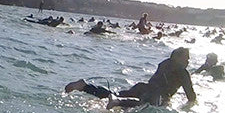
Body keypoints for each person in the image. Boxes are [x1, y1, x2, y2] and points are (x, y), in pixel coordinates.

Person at [64, 47, 196, 108]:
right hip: (156, 95)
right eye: (186, 58)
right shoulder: (182, 72)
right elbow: (190, 96)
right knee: (139, 103)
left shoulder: (165, 63)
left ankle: (84, 86)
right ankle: (117, 102)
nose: (188, 62)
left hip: (143, 86)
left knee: (113, 94)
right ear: (177, 57)